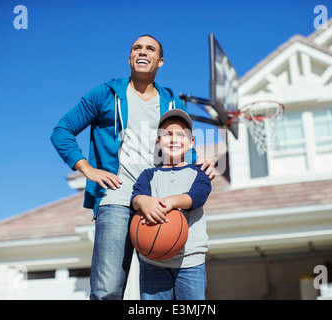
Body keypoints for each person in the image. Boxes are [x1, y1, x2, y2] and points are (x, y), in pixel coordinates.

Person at [50, 35, 216, 300]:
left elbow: (185, 147)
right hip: (116, 197)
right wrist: (87, 169)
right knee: (108, 289)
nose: (142, 51)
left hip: (156, 202)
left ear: (160, 61)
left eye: (150, 49)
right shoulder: (106, 94)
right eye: (136, 47)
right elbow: (62, 131)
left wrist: (200, 161)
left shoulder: (172, 102)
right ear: (130, 57)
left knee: (156, 286)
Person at [131, 109, 212, 300]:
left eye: (181, 134)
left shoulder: (199, 172)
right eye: (167, 134)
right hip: (153, 261)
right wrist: (143, 201)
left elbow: (198, 196)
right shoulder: (149, 175)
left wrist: (170, 202)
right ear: (158, 142)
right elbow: (135, 198)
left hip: (190, 261)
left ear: (192, 142)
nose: (174, 139)